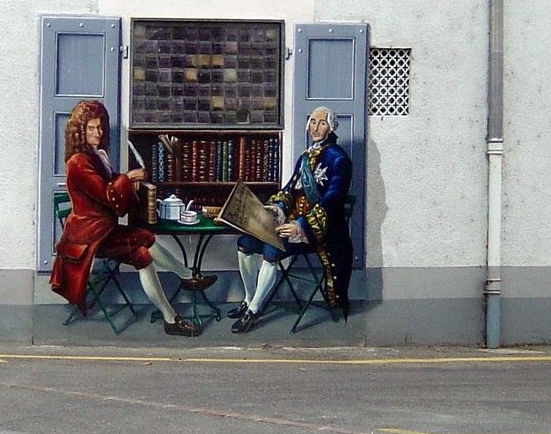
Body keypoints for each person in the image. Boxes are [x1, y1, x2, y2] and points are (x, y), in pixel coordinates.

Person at [50, 100, 216, 337]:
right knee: (145, 237)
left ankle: (172, 317)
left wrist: (127, 179)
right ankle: (187, 278)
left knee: (142, 253)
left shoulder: (94, 157)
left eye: (100, 127)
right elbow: (107, 194)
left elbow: (109, 182)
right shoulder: (78, 163)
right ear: (80, 131)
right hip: (88, 239)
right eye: (91, 128)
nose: (98, 132)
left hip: (100, 232)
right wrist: (128, 178)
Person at [229, 106, 354, 333]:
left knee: (271, 251)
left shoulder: (339, 159)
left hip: (317, 232)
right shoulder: (305, 157)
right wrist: (276, 209)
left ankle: (255, 310)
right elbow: (289, 191)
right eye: (313, 122)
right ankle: (248, 299)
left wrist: (300, 226)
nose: (316, 128)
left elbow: (333, 201)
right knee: (244, 244)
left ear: (331, 127)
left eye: (322, 123)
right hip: (289, 225)